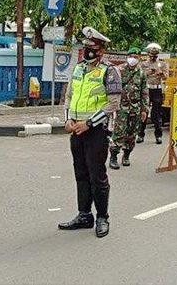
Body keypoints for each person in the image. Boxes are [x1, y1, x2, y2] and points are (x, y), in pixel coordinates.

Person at [58, 27, 121, 238]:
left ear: (101, 50)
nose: (87, 51)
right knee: (81, 173)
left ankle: (102, 217)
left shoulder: (110, 71)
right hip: (76, 129)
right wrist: (67, 118)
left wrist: (89, 123)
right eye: (85, 47)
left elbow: (113, 104)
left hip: (96, 131)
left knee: (97, 176)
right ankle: (84, 215)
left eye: (92, 48)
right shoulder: (78, 69)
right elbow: (69, 96)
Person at [109, 47, 149, 170]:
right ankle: (114, 156)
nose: (133, 59)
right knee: (119, 132)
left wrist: (144, 109)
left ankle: (126, 155)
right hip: (121, 107)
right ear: (127, 57)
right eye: (131, 56)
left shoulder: (141, 73)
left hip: (135, 108)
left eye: (136, 57)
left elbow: (144, 92)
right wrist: (112, 105)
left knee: (132, 133)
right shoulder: (119, 70)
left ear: (139, 58)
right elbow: (112, 89)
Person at [137, 43, 168, 145]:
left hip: (157, 90)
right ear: (148, 54)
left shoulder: (162, 64)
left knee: (156, 114)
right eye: (151, 55)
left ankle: (158, 136)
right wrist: (146, 73)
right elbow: (139, 75)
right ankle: (140, 135)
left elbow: (166, 77)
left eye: (154, 56)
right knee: (143, 112)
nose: (152, 57)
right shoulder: (143, 64)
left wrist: (160, 73)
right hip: (146, 89)